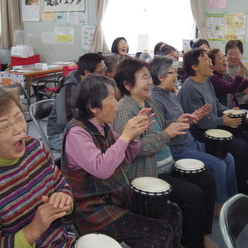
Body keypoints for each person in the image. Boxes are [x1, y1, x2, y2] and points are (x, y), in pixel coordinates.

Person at [60, 75, 182, 248]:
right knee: (159, 232)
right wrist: (125, 135)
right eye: (111, 98)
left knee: (172, 212)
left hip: (116, 197)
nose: (116, 102)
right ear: (93, 107)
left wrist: (135, 135)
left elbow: (127, 155)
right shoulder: (76, 133)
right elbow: (102, 169)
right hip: (93, 208)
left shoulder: (104, 125)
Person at [112, 57, 218, 248]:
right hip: (147, 172)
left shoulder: (148, 101)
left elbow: (161, 128)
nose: (150, 82)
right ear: (127, 84)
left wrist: (181, 121)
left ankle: (202, 234)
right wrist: (166, 135)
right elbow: (131, 149)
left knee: (207, 181)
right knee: (192, 195)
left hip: (164, 165)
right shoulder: (125, 110)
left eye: (149, 77)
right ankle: (191, 243)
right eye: (144, 78)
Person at [150, 55, 237, 215]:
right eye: (172, 72)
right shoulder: (155, 99)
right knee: (219, 165)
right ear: (160, 77)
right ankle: (219, 207)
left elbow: (177, 121)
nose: (177, 75)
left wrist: (192, 117)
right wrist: (183, 121)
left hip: (190, 143)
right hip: (178, 149)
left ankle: (232, 201)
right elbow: (163, 130)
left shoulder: (169, 94)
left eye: (175, 71)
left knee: (228, 157)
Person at [0, 87, 76, 247]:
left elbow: (63, 187)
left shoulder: (36, 148)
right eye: (4, 126)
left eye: (19, 117)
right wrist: (33, 230)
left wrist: (65, 201)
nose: (20, 129)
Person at [178, 48, 248, 195]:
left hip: (211, 127)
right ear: (195, 66)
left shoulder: (206, 81)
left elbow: (216, 104)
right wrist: (223, 120)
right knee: (240, 148)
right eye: (205, 58)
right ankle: (236, 190)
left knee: (240, 145)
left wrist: (228, 111)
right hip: (199, 134)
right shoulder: (190, 87)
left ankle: (233, 195)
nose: (210, 61)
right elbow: (200, 122)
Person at [47, 53, 106, 151]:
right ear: (87, 73)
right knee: (96, 147)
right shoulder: (70, 88)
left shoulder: (90, 84)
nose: (104, 74)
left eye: (105, 69)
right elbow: (65, 121)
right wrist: (90, 130)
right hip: (60, 135)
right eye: (101, 71)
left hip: (80, 129)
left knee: (107, 139)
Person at [225, 40, 248, 109]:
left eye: (237, 54)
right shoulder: (223, 69)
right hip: (230, 104)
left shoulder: (245, 69)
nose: (233, 57)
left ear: (241, 54)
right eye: (230, 54)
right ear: (226, 55)